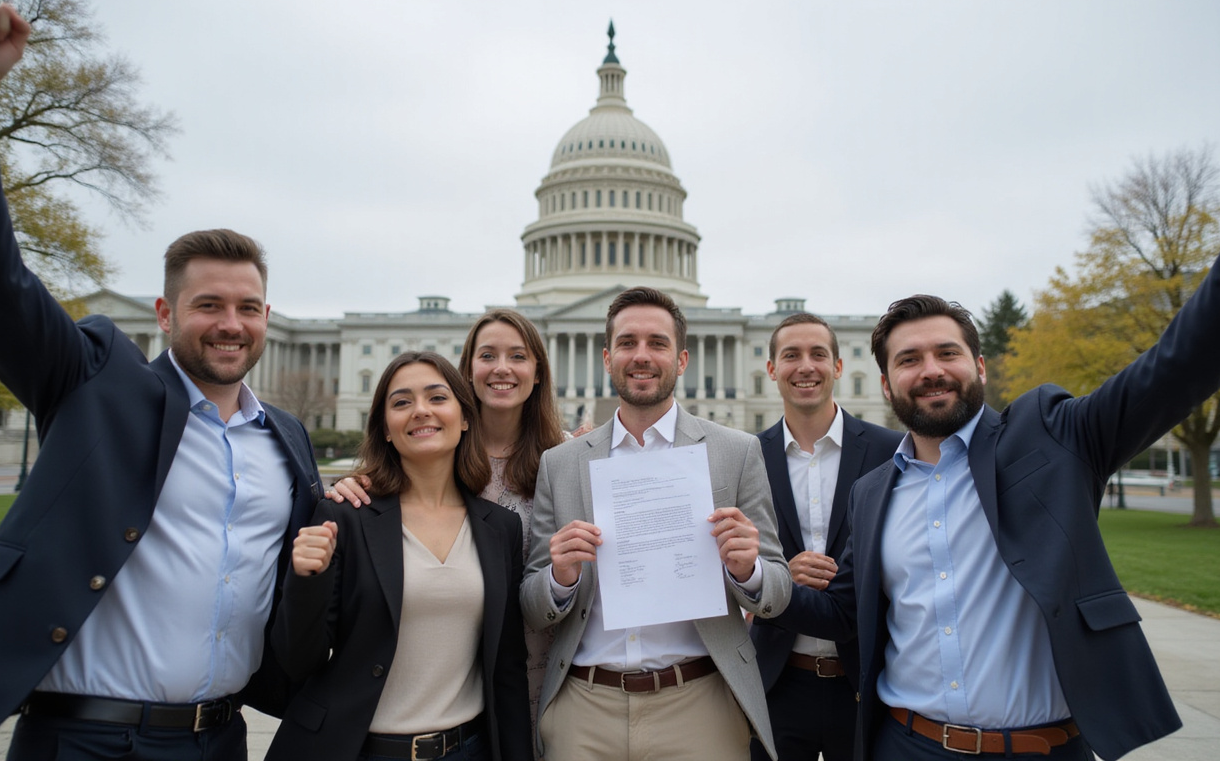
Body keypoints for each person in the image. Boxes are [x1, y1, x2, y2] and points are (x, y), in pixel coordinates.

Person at [777, 110, 1220, 761]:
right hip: (905, 744)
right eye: (908, 361)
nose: (931, 370)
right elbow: (842, 614)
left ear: (981, 367)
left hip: (1042, 748)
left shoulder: (1055, 438)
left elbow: (1180, 364)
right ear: (885, 385)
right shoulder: (874, 491)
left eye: (947, 353)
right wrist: (750, 578)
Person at [0, 2, 324, 758]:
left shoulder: (286, 440)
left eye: (248, 307)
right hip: (86, 739)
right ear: (163, 312)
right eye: (208, 305)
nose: (231, 324)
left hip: (219, 738)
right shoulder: (95, 384)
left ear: (268, 316)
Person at [519, 286, 792, 760]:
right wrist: (559, 579)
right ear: (607, 358)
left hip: (699, 704)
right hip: (586, 708)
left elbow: (777, 592)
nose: (640, 356)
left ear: (682, 359)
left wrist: (748, 569)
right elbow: (531, 602)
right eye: (627, 343)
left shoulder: (736, 451)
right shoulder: (560, 464)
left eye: (657, 343)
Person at [267, 352, 532, 761]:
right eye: (402, 402)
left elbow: (507, 667)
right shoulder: (345, 515)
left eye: (437, 398)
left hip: (467, 749)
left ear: (464, 418)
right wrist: (306, 580)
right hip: (361, 749)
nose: (421, 411)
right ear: (386, 429)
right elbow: (298, 660)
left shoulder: (500, 528)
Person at [331, 309, 566, 755]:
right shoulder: (437, 452)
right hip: (463, 684)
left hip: (550, 671)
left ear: (538, 372)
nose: (501, 368)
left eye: (518, 355)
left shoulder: (568, 459)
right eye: (487, 355)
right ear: (467, 372)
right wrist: (356, 485)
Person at [750, 313, 902, 761]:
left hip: (868, 681)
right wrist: (777, 576)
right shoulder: (746, 457)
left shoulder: (891, 450)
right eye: (791, 355)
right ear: (772, 369)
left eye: (818, 354)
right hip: (778, 680)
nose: (806, 367)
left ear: (837, 367)